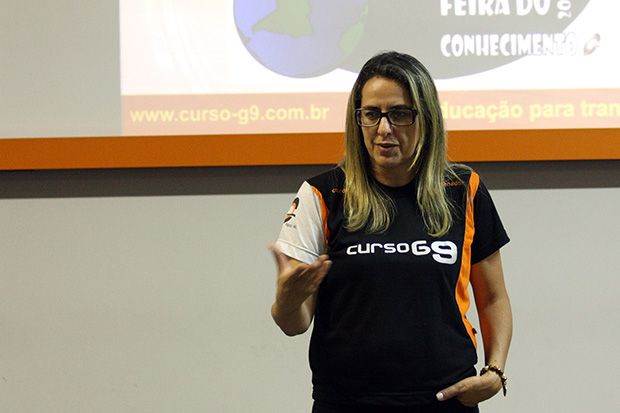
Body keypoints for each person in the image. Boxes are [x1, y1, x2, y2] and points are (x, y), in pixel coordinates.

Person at [269, 51, 512, 412]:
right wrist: (287, 300)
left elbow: (492, 298)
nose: (384, 129)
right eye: (371, 114)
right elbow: (294, 324)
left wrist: (494, 371)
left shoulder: (464, 189)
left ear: (426, 117)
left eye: (399, 114)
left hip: (445, 399)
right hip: (347, 402)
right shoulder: (322, 194)